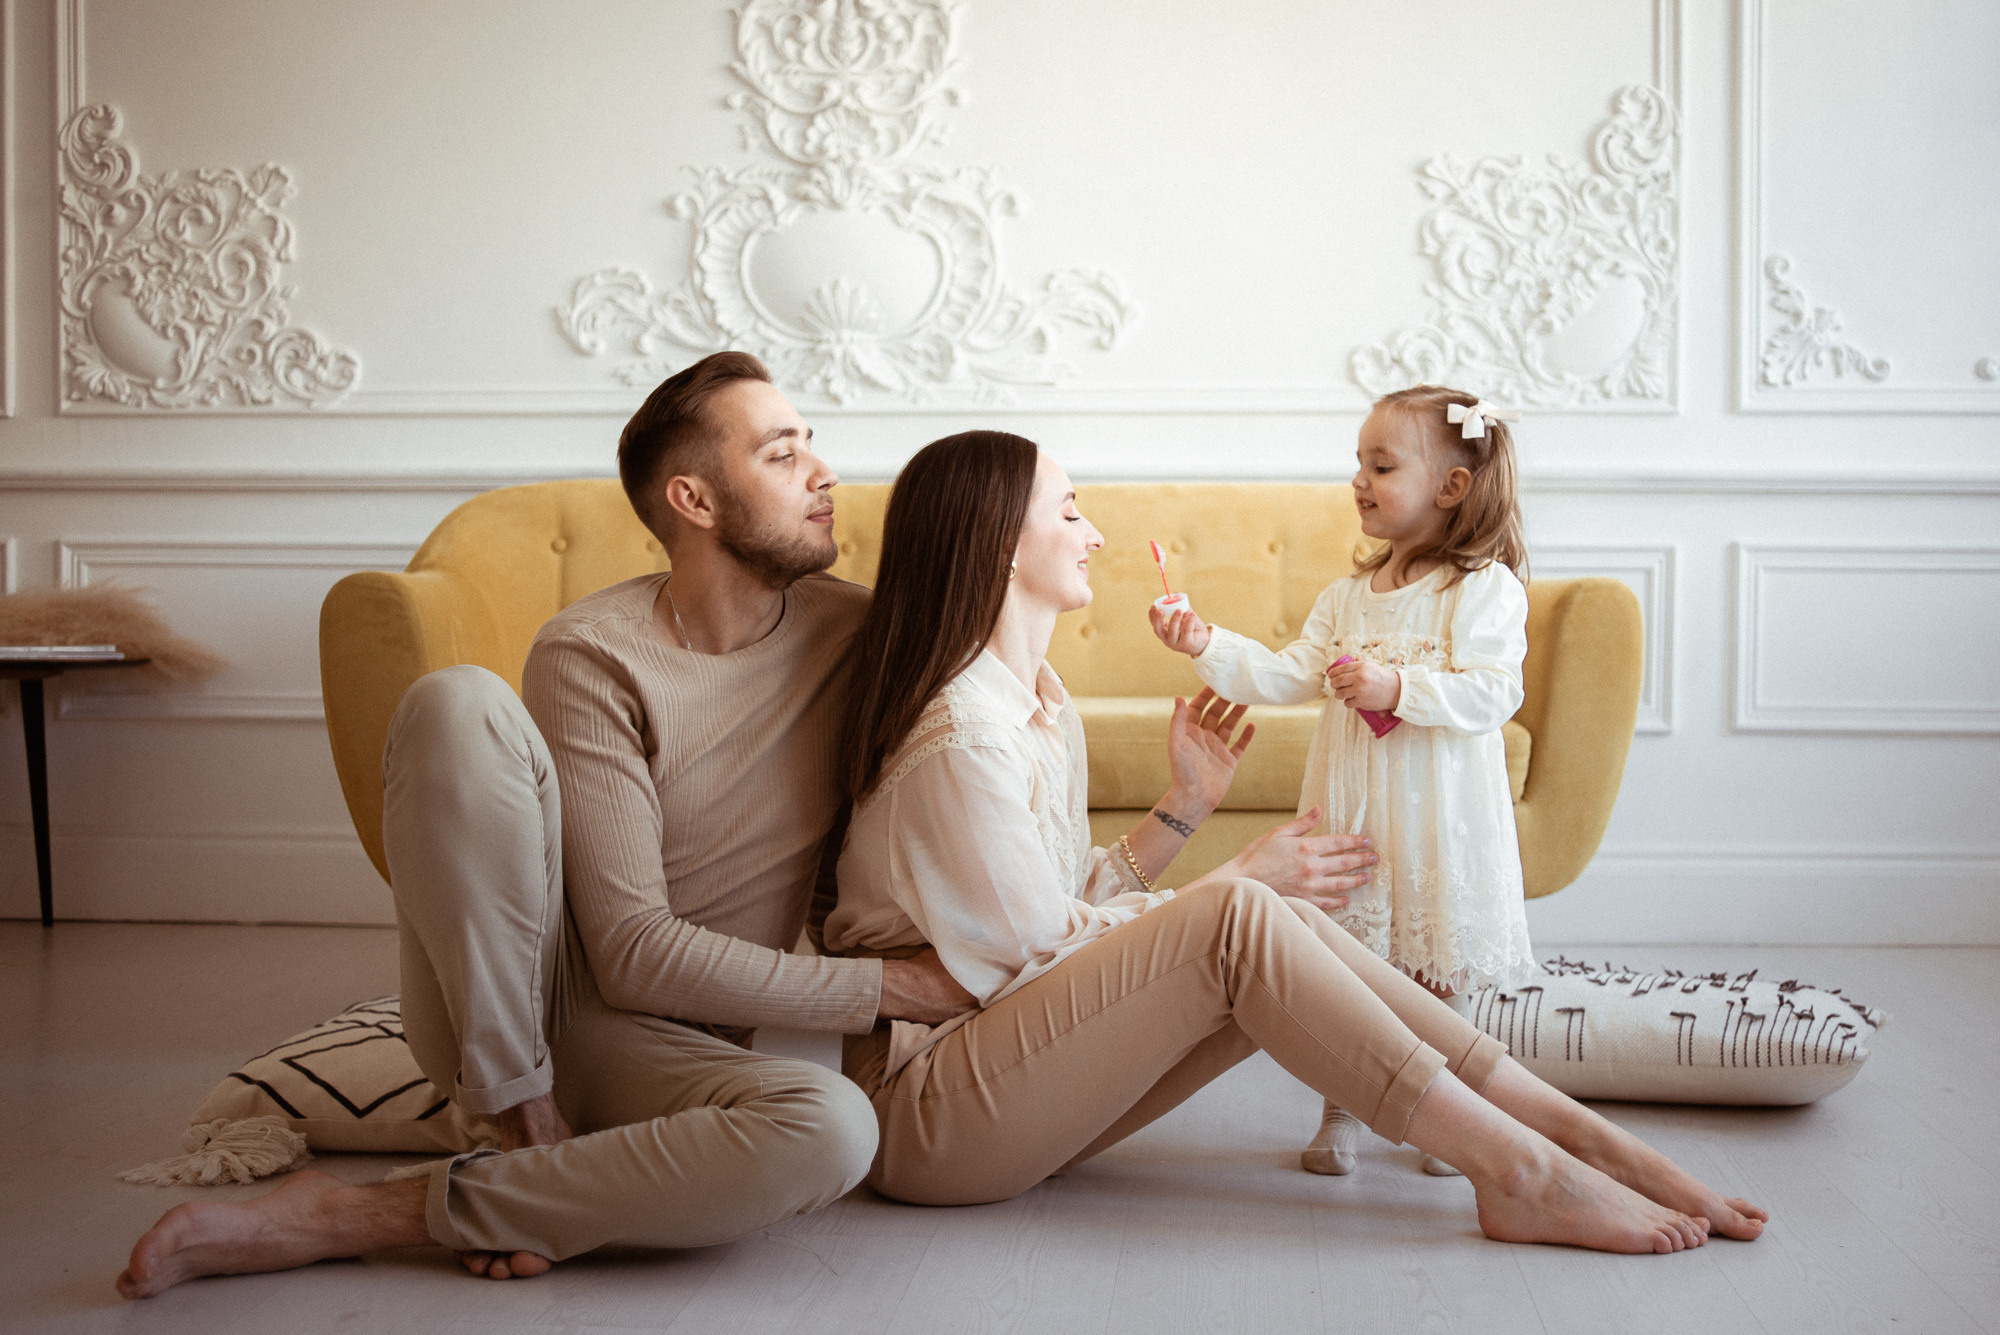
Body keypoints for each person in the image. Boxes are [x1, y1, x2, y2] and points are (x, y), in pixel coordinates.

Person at [117, 352, 974, 1299]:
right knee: (457, 702)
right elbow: (633, 954)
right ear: (694, 499)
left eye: (811, 445)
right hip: (533, 1003)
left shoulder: (857, 635)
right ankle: (519, 1120)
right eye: (782, 454)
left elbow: (917, 782)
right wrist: (892, 988)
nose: (824, 472)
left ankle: (379, 1208)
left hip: (677, 1052)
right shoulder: (592, 651)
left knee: (835, 1129)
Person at [824, 430, 1768, 1254]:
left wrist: (1184, 808)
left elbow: (1062, 906)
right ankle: (1523, 1169)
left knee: (1274, 927)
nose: (1096, 534)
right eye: (1069, 512)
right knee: (1244, 914)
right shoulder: (963, 735)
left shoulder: (1037, 702)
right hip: (928, 1110)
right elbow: (1028, 958)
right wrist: (1233, 878)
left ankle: (1576, 1135)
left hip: (1013, 1080)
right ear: (999, 543)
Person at [1151, 384, 1534, 1179]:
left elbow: (1495, 692)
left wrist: (1400, 688)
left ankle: (1454, 1120)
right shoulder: (1345, 598)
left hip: (1437, 817)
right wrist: (1204, 641)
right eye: (1358, 462)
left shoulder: (1480, 589)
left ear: (1452, 486)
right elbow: (1287, 673)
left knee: (1434, 969)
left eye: (1382, 466)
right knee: (1351, 974)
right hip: (1358, 812)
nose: (1359, 480)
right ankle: (1343, 1109)